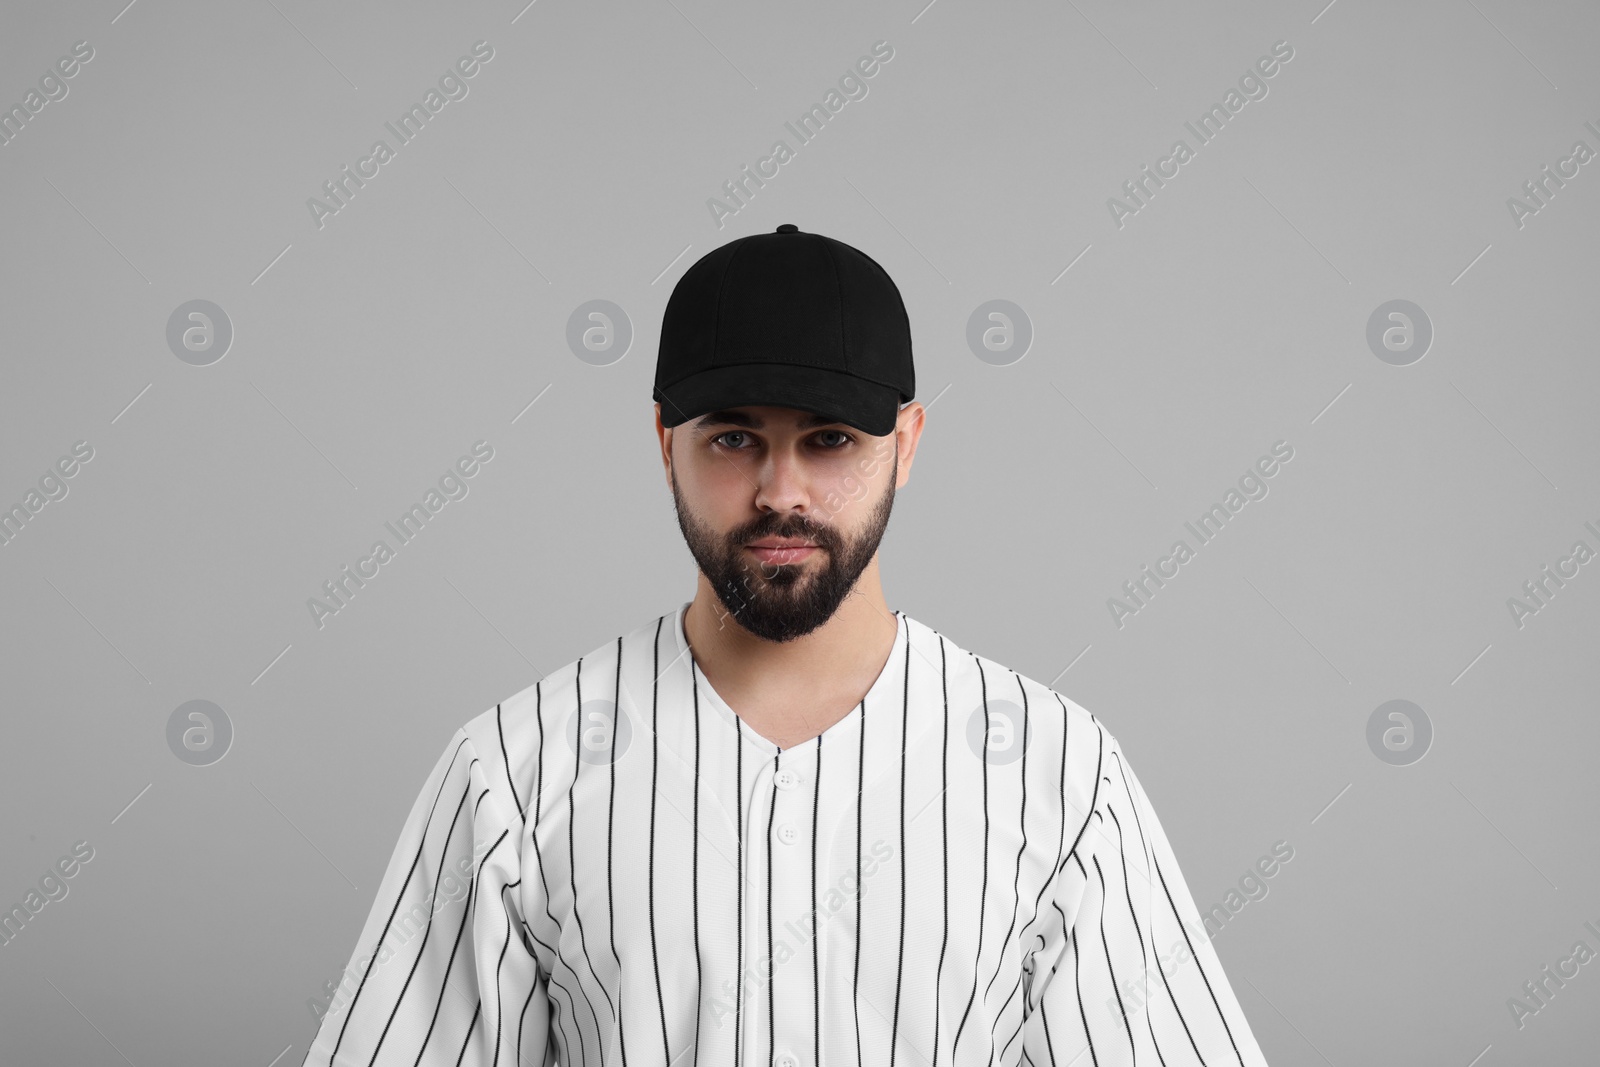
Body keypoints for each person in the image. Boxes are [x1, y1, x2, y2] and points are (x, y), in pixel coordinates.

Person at [301, 224, 1271, 1066]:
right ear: (662, 439)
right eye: (733, 437)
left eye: (829, 438)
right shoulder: (512, 770)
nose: (780, 490)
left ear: (907, 440)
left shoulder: (1057, 773)